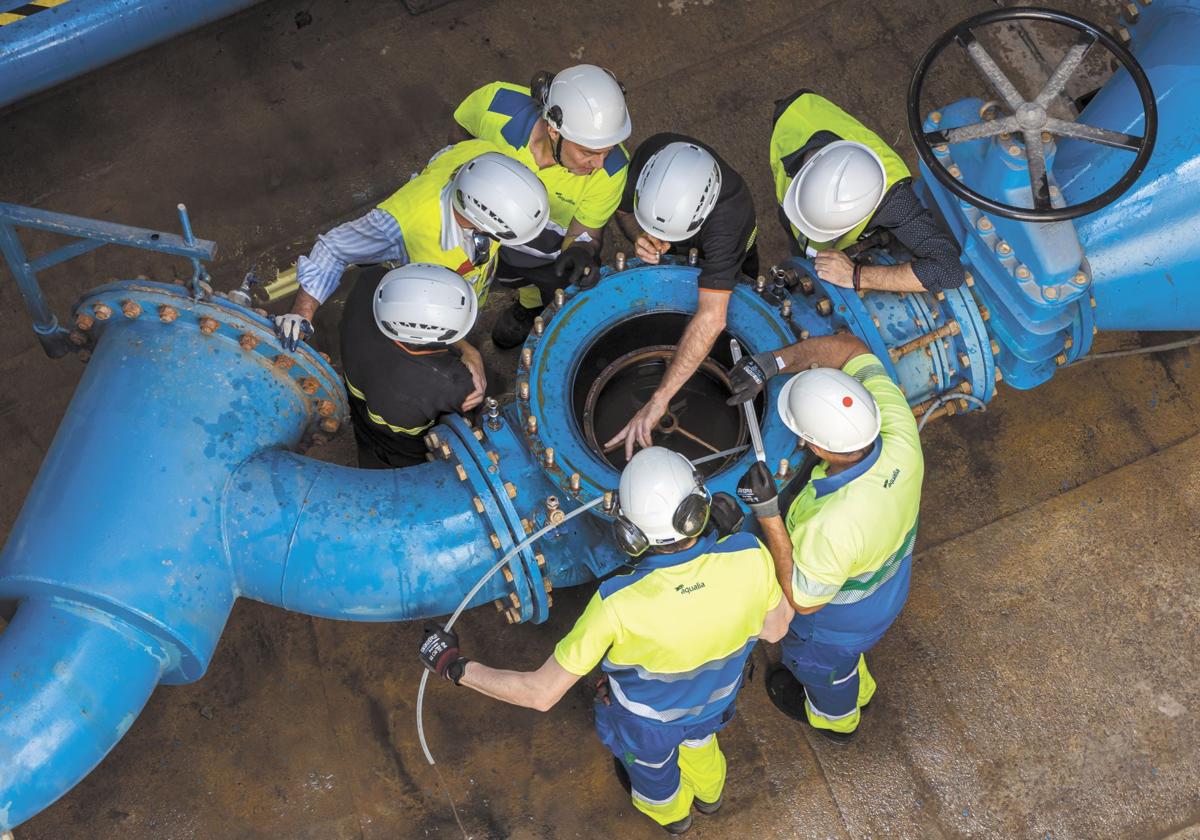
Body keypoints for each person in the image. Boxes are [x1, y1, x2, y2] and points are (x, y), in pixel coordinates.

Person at [418, 447, 793, 835]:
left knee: (653, 775)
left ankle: (674, 817)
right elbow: (776, 630)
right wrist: (725, 542)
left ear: (630, 534)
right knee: (702, 744)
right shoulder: (750, 556)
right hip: (716, 703)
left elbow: (540, 693)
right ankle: (711, 796)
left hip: (649, 726)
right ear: (699, 507)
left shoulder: (616, 604)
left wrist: (455, 666)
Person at [731, 333, 923, 742]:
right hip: (887, 586)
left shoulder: (833, 525)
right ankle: (859, 686)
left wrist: (767, 515)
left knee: (824, 672)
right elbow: (854, 349)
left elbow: (803, 599)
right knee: (847, 663)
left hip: (838, 624)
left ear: (818, 447)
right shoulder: (898, 429)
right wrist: (773, 363)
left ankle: (836, 719)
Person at [273, 142, 550, 409]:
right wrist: (302, 313)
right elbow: (333, 249)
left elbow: (442, 155)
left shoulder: (485, 159)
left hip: (460, 303)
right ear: (481, 223)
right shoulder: (400, 225)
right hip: (417, 317)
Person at [451, 65, 632, 348]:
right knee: (506, 275)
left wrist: (580, 251)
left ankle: (534, 311)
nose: (599, 163)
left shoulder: (612, 170)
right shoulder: (495, 106)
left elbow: (585, 232)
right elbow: (460, 137)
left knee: (554, 293)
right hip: (491, 239)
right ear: (554, 130)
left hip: (548, 255)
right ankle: (526, 301)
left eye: (607, 151)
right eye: (588, 152)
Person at [604, 135, 759, 460]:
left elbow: (712, 318)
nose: (659, 238)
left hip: (731, 251)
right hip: (686, 237)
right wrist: (640, 237)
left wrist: (659, 399)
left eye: (666, 234)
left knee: (740, 290)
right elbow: (623, 212)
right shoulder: (654, 162)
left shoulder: (726, 223)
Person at [770, 89, 964, 294]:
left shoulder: (894, 199)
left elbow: (948, 271)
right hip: (792, 205)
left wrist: (855, 275)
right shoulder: (792, 115)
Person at [339, 263, 479, 469]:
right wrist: (469, 351)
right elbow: (472, 417)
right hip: (405, 449)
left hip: (361, 411)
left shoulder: (370, 283)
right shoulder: (451, 382)